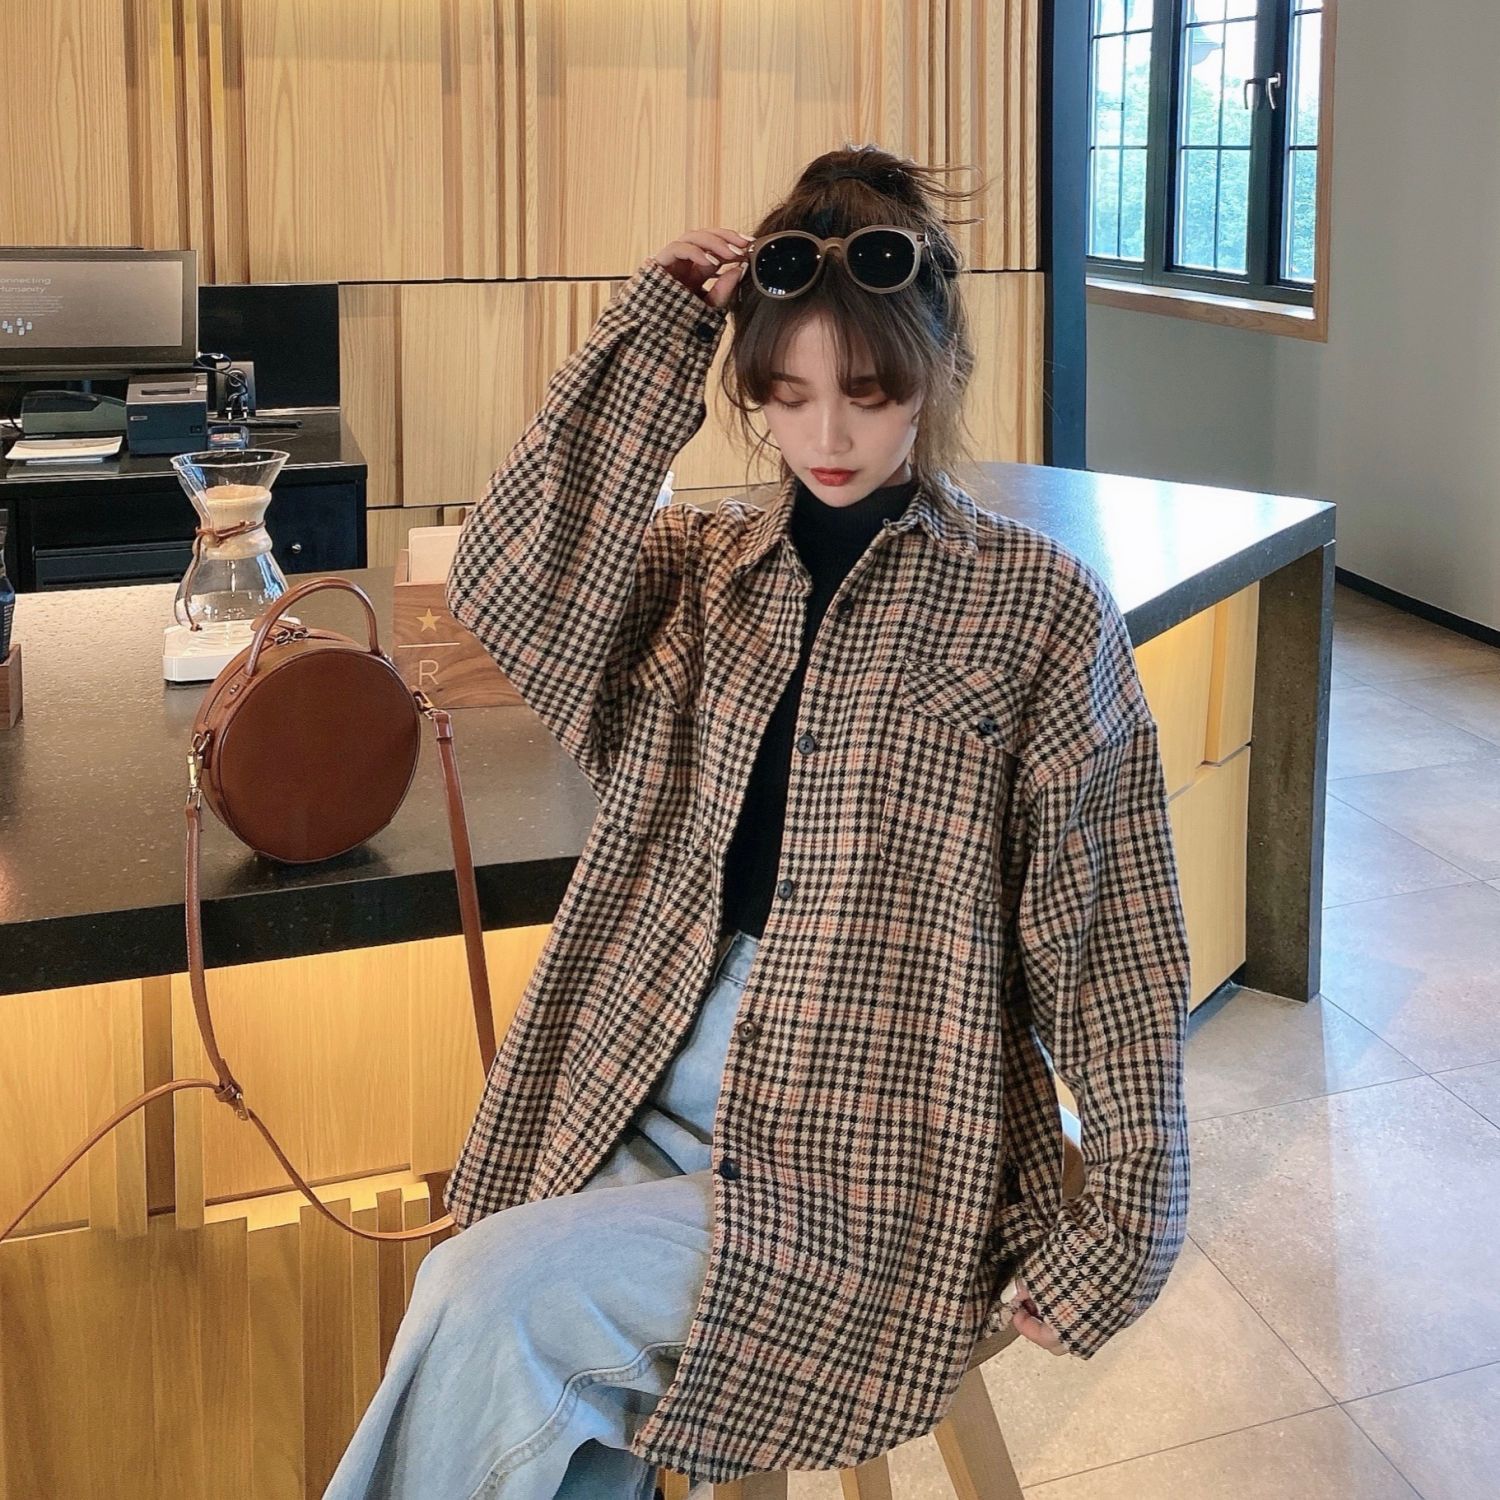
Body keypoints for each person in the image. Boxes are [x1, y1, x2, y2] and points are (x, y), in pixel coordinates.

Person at [323, 144, 1191, 1499]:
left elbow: (1112, 937)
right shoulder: (701, 574)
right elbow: (508, 582)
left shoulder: (1035, 610)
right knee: (519, 1357)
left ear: (935, 376)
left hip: (874, 1141)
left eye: (869, 393)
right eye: (788, 396)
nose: (829, 437)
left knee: (487, 1302)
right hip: (638, 1066)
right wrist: (654, 337)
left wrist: (1127, 1221)